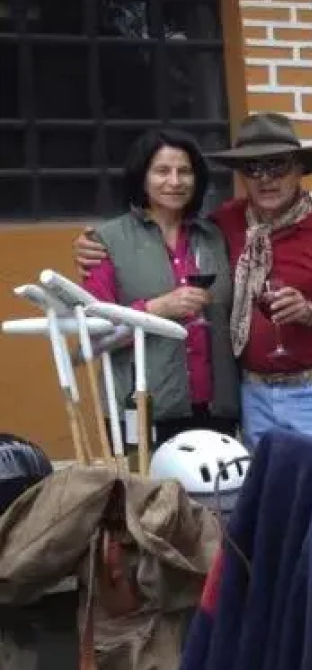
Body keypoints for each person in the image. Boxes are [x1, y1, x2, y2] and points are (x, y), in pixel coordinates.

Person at [75, 113, 312, 488]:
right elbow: (95, 329)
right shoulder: (225, 224)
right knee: (271, 506)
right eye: (252, 168)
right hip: (251, 398)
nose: (266, 178)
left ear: (298, 170)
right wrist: (97, 252)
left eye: (277, 165)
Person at [82, 129, 241, 451]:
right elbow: (96, 333)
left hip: (214, 406)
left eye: (184, 171)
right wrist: (155, 310)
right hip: (142, 405)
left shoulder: (214, 236)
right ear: (142, 177)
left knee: (210, 486)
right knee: (146, 486)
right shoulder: (106, 241)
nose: (175, 181)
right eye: (162, 171)